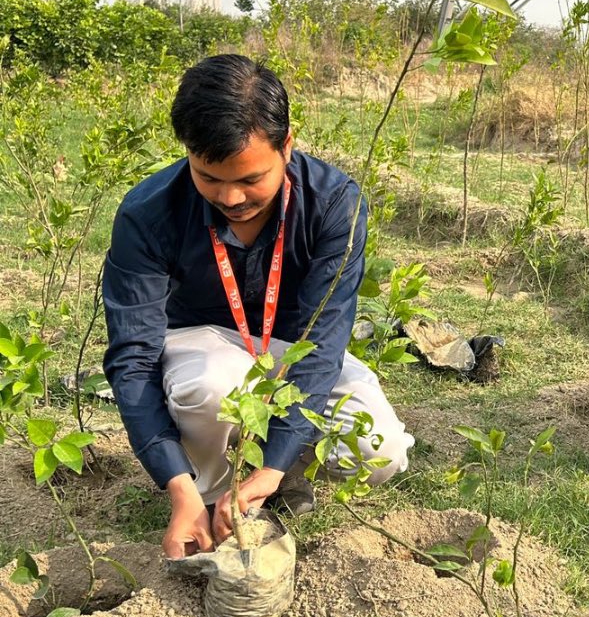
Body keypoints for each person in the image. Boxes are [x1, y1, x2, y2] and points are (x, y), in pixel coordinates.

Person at [103, 54, 414, 559]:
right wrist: (175, 488)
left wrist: (272, 467)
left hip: (293, 343)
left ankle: (276, 474)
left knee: (379, 451)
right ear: (188, 152)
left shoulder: (335, 205)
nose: (230, 196)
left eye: (250, 179)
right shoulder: (149, 214)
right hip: (200, 337)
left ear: (286, 145)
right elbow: (132, 357)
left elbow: (320, 346)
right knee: (210, 388)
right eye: (208, 177)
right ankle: (206, 492)